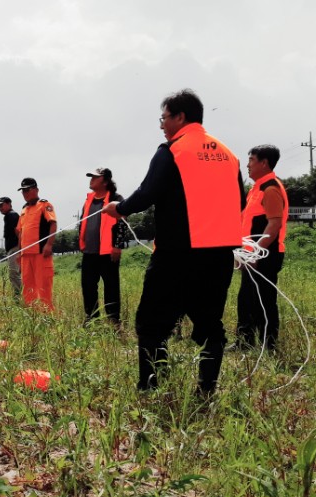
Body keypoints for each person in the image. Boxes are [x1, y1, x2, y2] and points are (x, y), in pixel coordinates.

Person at [103, 89, 246, 394]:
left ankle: (151, 385)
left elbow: (147, 193)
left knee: (151, 324)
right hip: (219, 256)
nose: (162, 125)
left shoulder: (173, 150)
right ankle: (206, 388)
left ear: (180, 117)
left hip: (176, 255)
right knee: (210, 325)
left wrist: (120, 208)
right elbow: (240, 202)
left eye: (164, 118)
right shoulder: (229, 155)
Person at [235, 144, 288, 351]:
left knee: (264, 300)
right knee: (247, 299)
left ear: (264, 163)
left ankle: (269, 345)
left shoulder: (271, 189)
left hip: (265, 255)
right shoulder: (256, 189)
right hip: (251, 254)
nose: (248, 165)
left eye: (251, 160)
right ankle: (245, 341)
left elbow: (273, 225)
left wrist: (255, 253)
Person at [79, 168, 128, 326]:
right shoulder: (89, 199)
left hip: (108, 252)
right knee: (88, 286)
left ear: (105, 181)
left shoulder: (116, 199)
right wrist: (82, 242)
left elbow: (122, 223)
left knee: (111, 287)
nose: (91, 179)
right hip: (89, 251)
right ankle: (92, 318)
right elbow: (82, 222)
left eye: (95, 177)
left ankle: (113, 320)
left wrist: (117, 246)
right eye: (91, 176)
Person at [16, 178, 57, 311]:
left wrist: (49, 244)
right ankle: (32, 313)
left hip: (40, 253)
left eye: (27, 190)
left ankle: (48, 314)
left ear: (36, 190)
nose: (25, 194)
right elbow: (20, 232)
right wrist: (19, 252)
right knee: (28, 288)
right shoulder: (24, 209)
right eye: (23, 191)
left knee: (43, 286)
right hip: (26, 255)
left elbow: (53, 224)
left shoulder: (44, 205)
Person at [0, 196, 22, 297]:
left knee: (14, 274)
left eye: (2, 205)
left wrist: (20, 249)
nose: (0, 208)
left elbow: (18, 232)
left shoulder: (12, 215)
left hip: (15, 248)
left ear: (9, 204)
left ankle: (18, 296)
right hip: (13, 249)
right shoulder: (9, 216)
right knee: (15, 273)